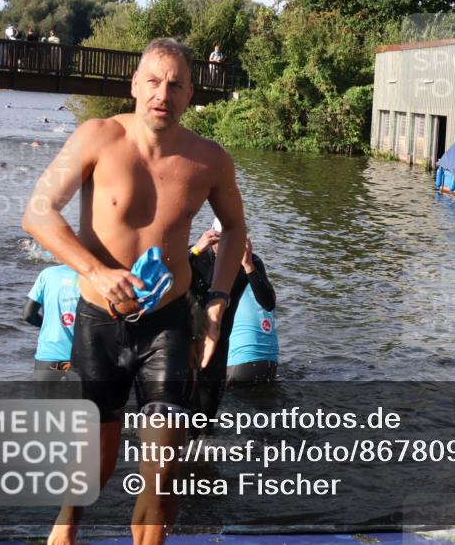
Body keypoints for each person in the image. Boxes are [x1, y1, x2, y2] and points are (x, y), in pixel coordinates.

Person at [22, 37, 246, 545]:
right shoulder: (95, 137)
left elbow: (233, 230)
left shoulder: (209, 159)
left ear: (191, 94)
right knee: (91, 476)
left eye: (174, 84)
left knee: (162, 476)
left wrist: (216, 301)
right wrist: (96, 272)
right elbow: (37, 212)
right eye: (152, 80)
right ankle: (66, 527)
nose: (161, 93)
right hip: (99, 321)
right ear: (133, 85)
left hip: (168, 324)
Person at [187, 225, 277, 426]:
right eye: (223, 241)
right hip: (188, 343)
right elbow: (167, 280)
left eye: (234, 242)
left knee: (207, 420)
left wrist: (249, 268)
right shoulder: (196, 256)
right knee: (182, 415)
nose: (229, 248)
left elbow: (268, 303)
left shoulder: (249, 262)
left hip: (219, 347)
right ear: (212, 237)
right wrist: (193, 251)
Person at [24, 265, 80, 380]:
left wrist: (48, 325)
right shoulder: (97, 279)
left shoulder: (48, 274)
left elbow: (28, 314)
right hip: (83, 359)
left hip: (48, 358)